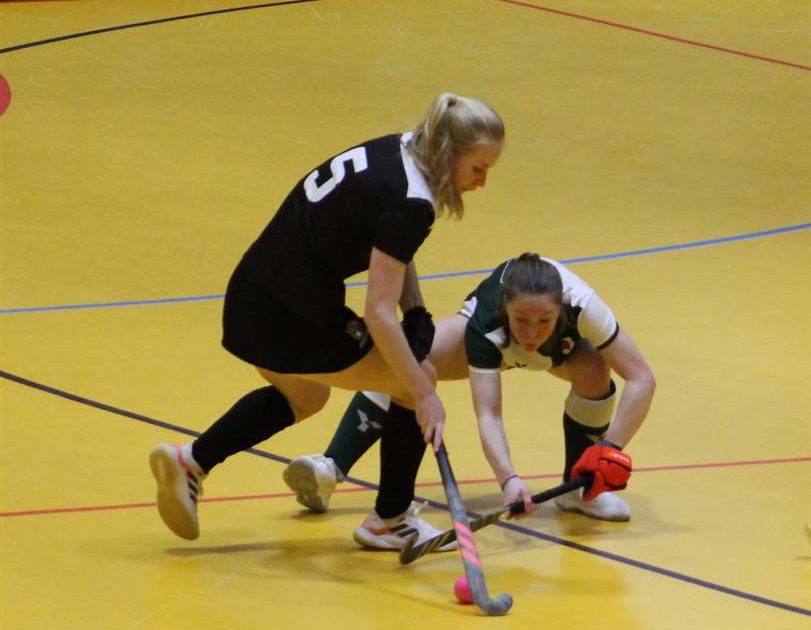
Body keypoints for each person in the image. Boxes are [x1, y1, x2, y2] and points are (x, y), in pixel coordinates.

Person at [148, 93, 506, 548]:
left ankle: (190, 461)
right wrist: (422, 393)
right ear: (449, 153)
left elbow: (392, 247)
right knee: (418, 380)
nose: (482, 182)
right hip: (293, 315)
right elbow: (378, 313)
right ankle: (390, 519)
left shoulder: (399, 149)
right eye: (479, 168)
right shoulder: (412, 200)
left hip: (251, 295)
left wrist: (415, 310)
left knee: (305, 395)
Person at [283, 251, 650, 531]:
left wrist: (608, 449)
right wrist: (509, 479)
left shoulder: (584, 306)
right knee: (410, 364)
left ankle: (577, 490)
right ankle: (331, 467)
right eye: (522, 320)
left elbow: (641, 378)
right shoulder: (485, 323)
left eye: (544, 321)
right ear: (505, 308)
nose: (533, 331)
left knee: (593, 369)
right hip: (493, 344)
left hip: (561, 352)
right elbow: (488, 413)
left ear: (562, 313)